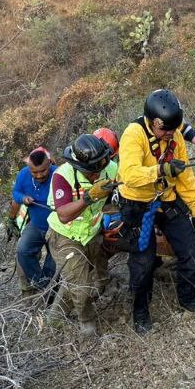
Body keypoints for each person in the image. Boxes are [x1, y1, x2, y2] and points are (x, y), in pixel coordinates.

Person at [116, 88, 195, 334]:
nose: (170, 135)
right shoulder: (133, 134)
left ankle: (188, 297)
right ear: (152, 121)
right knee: (143, 263)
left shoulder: (175, 135)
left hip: (167, 201)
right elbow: (129, 175)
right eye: (165, 131)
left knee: (190, 251)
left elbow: (185, 176)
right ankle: (140, 312)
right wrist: (160, 171)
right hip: (137, 204)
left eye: (173, 130)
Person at [46, 132, 119, 336]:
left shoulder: (111, 168)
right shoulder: (62, 176)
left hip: (92, 232)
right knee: (80, 286)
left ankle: (54, 317)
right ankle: (87, 323)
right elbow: (63, 215)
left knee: (78, 276)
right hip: (65, 235)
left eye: (99, 170)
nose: (96, 175)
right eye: (90, 173)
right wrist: (89, 197)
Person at [8, 147, 57, 297]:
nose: (39, 175)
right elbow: (16, 193)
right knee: (23, 251)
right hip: (36, 224)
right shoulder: (23, 174)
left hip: (57, 226)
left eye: (42, 171)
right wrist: (23, 198)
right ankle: (42, 285)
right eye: (34, 172)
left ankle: (50, 290)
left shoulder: (59, 174)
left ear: (49, 163)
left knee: (53, 258)